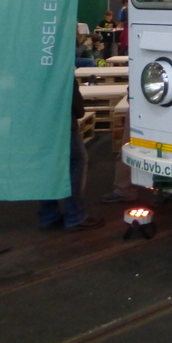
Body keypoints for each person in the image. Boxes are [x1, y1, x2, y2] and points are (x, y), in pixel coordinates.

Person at [38, 79, 105, 230]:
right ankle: (75, 215)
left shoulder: (32, 68)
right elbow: (78, 108)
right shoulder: (61, 66)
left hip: (38, 123)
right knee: (77, 163)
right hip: (63, 124)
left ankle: (48, 215)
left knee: (47, 166)